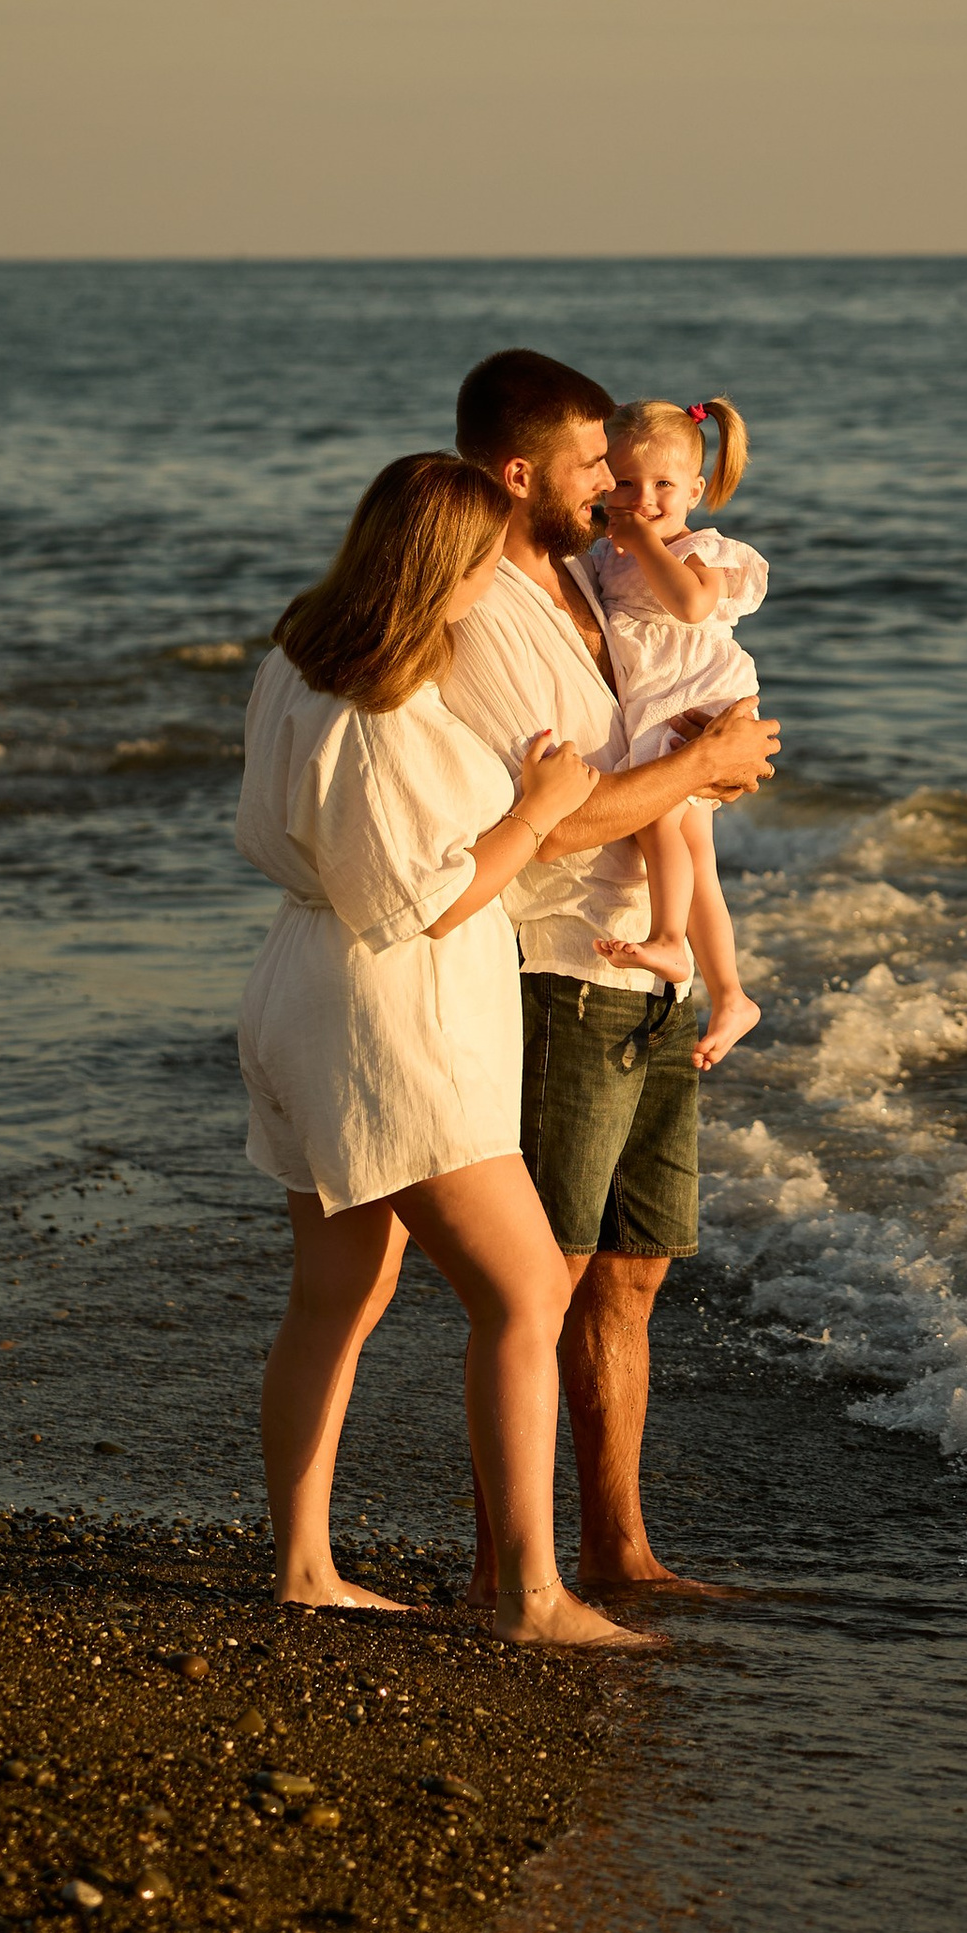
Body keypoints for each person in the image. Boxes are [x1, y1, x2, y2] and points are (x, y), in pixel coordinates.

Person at [235, 450, 648, 1653]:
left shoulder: (296, 661)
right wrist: (534, 806)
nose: (494, 582)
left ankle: (306, 1568)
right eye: (482, 560)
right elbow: (428, 899)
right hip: (387, 1013)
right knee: (522, 1291)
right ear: (442, 566)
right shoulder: (387, 708)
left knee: (339, 1292)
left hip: (298, 986)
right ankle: (529, 1597)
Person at [441, 350, 782, 1595]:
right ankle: (503, 1568)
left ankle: (619, 1549)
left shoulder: (589, 583)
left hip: (652, 977)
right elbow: (556, 815)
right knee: (548, 1278)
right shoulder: (488, 602)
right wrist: (698, 768)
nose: (613, 490)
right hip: (561, 972)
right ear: (522, 471)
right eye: (594, 466)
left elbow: (674, 722)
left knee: (633, 1274)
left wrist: (720, 757)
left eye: (624, 468)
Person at [588, 394, 767, 1072]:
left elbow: (692, 606)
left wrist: (636, 540)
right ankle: (730, 994)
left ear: (694, 490)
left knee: (657, 813)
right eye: (626, 485)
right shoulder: (609, 553)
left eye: (663, 486)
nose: (644, 499)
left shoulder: (703, 551)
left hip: (696, 694)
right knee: (700, 861)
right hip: (659, 700)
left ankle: (668, 936)